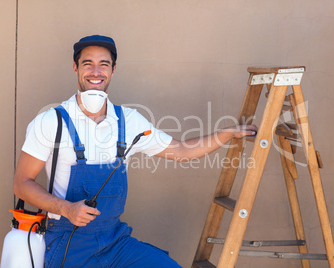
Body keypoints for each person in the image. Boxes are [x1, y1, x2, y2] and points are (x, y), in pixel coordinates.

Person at [13, 35, 258, 267]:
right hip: (67, 243)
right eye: (87, 64)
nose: (96, 71)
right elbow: (22, 183)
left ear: (113, 70)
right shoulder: (51, 122)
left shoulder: (130, 121)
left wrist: (227, 134)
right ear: (75, 68)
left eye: (104, 64)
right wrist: (65, 208)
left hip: (116, 241)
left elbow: (182, 151)